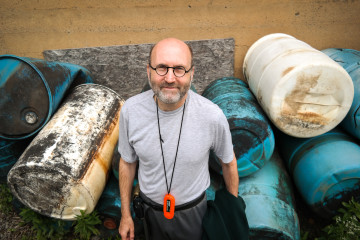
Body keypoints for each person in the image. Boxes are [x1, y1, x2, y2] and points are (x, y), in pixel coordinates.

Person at [118, 38, 239, 240]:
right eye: (162, 68)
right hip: (148, 211)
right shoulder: (130, 111)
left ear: (192, 73)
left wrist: (231, 213)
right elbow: (127, 162)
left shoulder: (212, 116)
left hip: (193, 213)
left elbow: (228, 163)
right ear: (149, 71)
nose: (170, 78)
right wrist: (125, 215)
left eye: (179, 69)